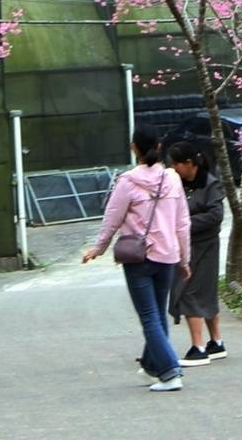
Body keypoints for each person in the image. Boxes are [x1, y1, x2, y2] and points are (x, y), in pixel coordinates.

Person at [82, 128, 192, 392]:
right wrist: (185, 259)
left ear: (134, 148)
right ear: (158, 145)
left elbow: (112, 218)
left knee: (149, 316)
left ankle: (169, 372)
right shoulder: (172, 179)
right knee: (157, 313)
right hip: (167, 255)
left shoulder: (127, 182)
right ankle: (152, 365)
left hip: (139, 257)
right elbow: (182, 222)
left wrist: (98, 248)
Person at [167, 140, 227, 366]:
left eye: (177, 164)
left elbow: (215, 216)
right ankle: (217, 342)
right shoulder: (179, 184)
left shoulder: (211, 185)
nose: (174, 169)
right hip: (186, 245)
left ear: (189, 163)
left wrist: (183, 223)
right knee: (203, 292)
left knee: (192, 291)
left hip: (205, 245)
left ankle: (199, 346)